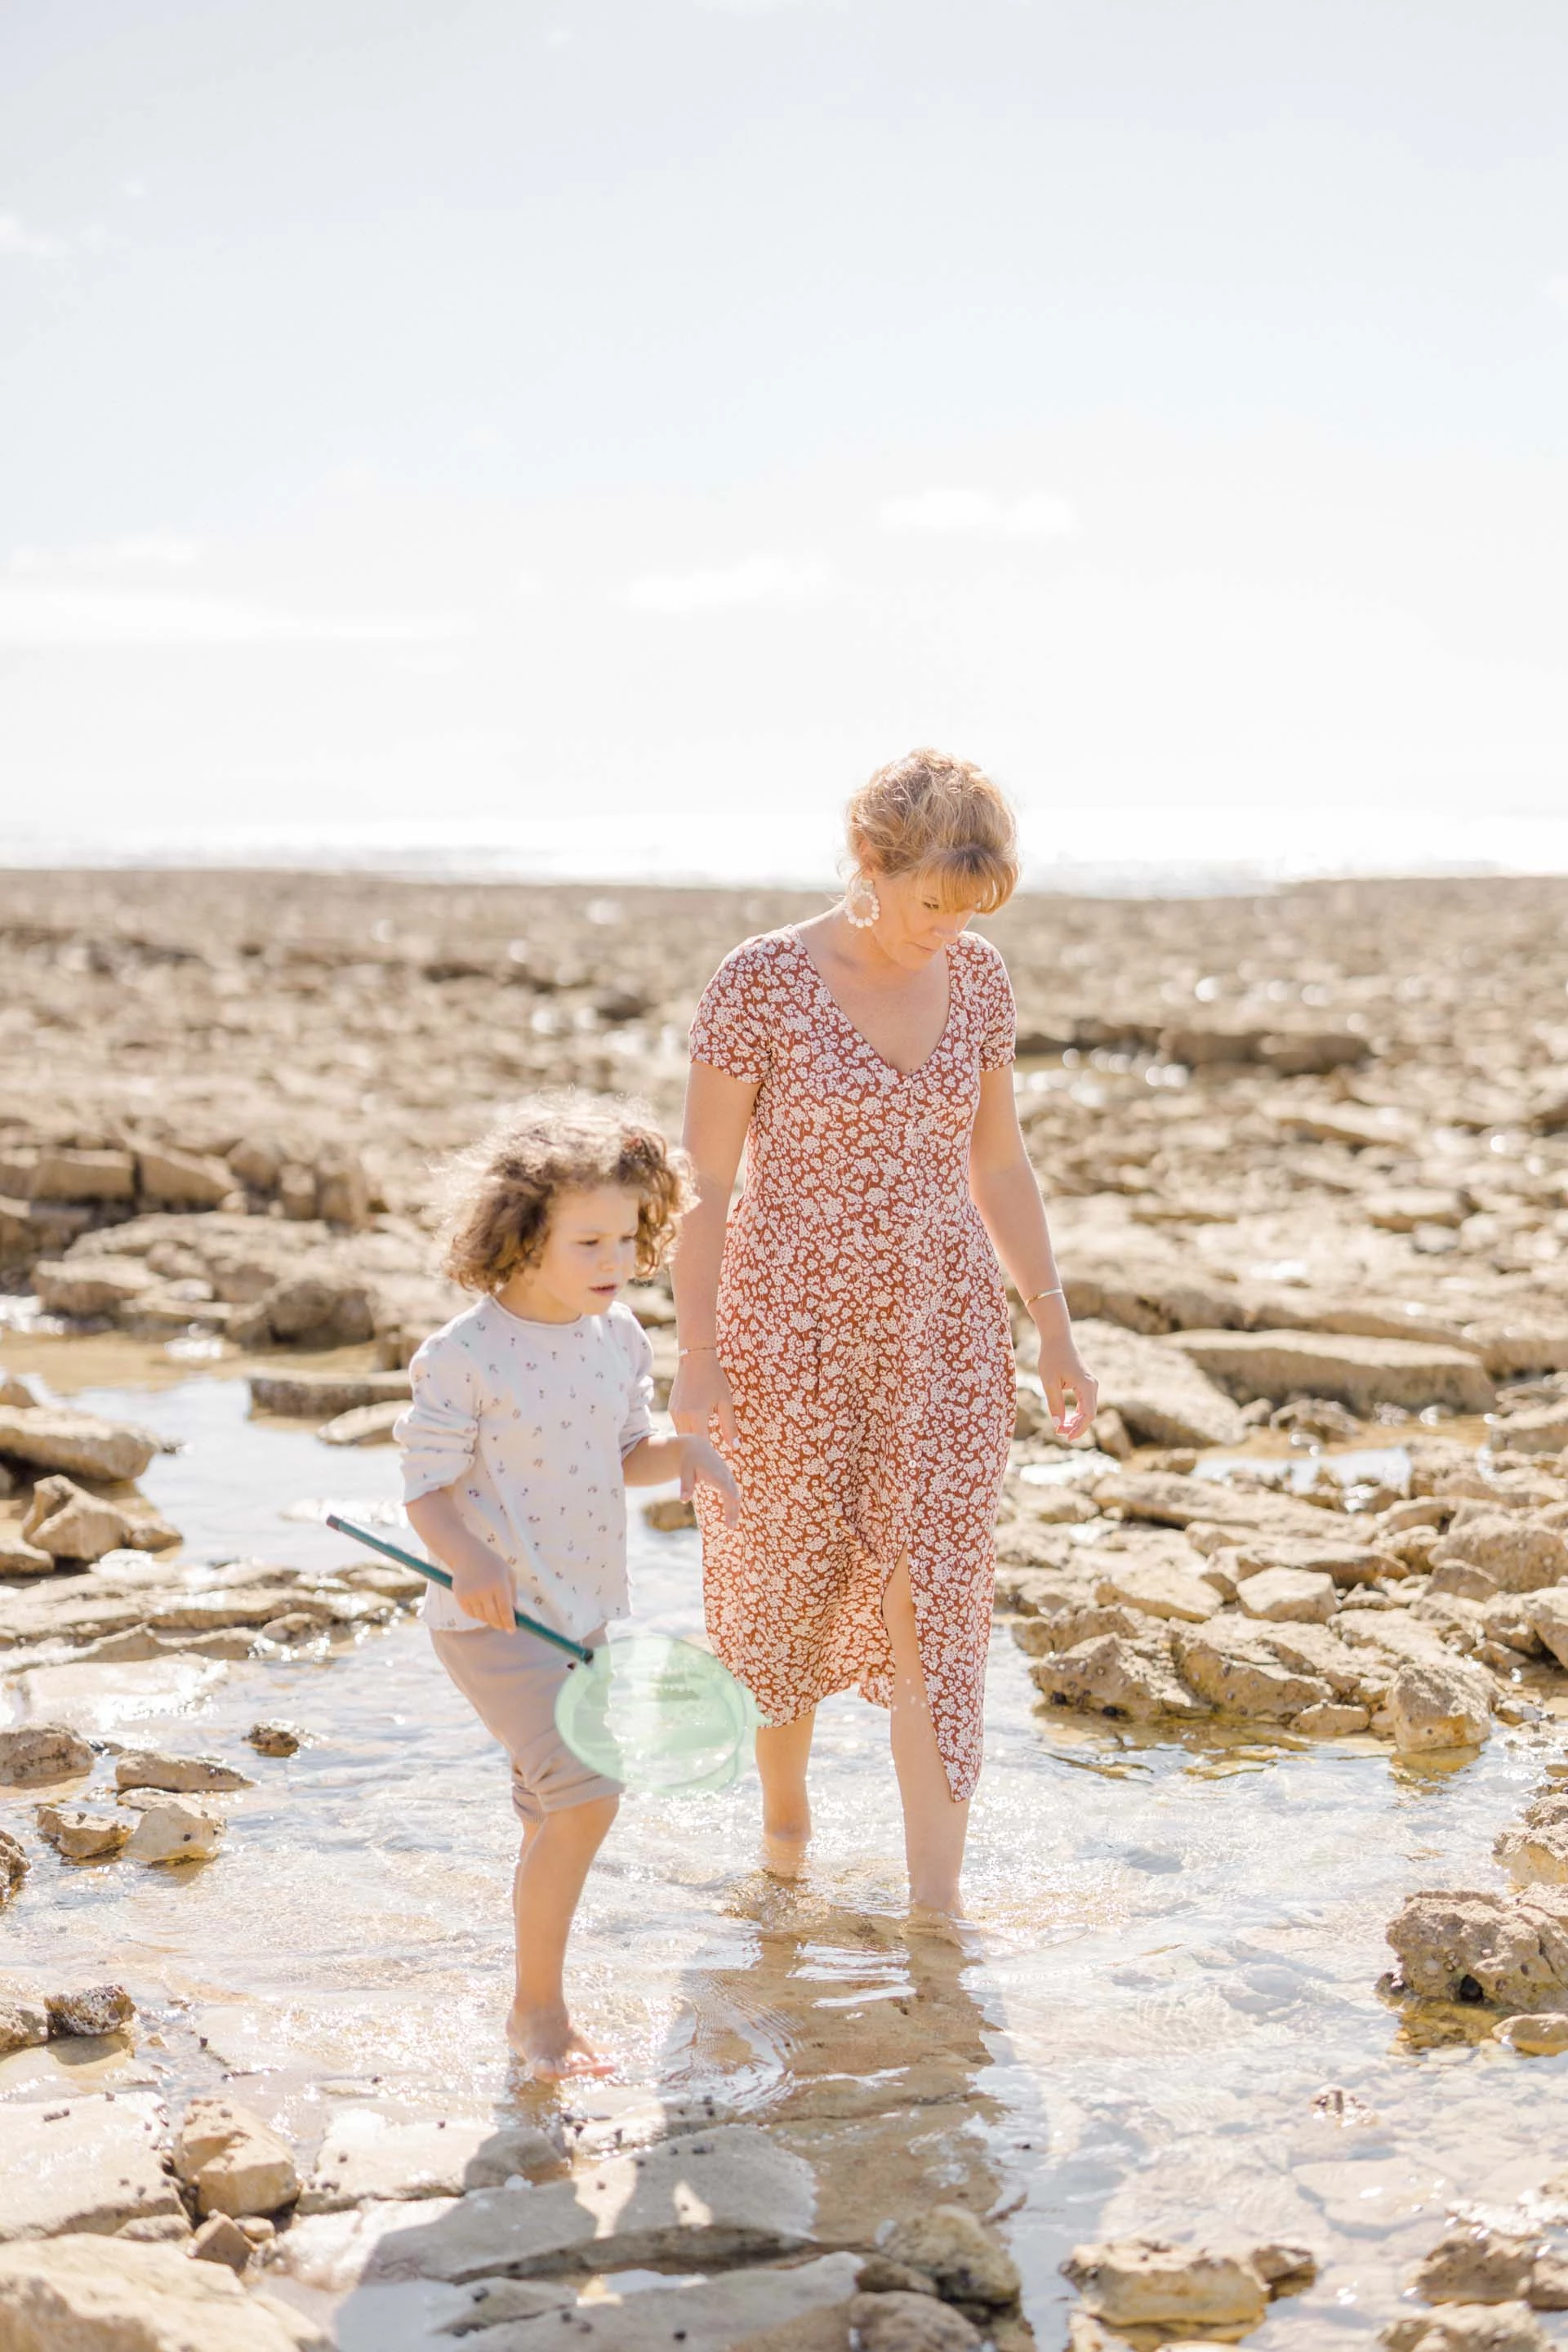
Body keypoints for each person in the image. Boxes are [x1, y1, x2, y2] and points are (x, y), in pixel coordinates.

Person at [672, 750, 1098, 1916]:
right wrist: (695, 1358)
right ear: (869, 861)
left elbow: (999, 1162)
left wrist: (1054, 1329)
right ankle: (784, 1827)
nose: (948, 932)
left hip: (945, 1335)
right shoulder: (757, 982)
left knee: (939, 1600)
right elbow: (704, 1187)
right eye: (932, 905)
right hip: (788, 1332)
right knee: (787, 1585)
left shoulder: (982, 982)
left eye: (972, 911)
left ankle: (936, 1906)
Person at [396, 1097, 740, 2078]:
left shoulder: (616, 1337)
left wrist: (687, 1455)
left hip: (584, 1615)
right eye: (587, 1240)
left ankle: (524, 1987)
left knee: (553, 1810)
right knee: (589, 1800)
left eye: (628, 1239)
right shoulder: (464, 1356)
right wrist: (468, 1556)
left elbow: (624, 1450)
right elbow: (424, 1486)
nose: (613, 1261)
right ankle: (536, 2014)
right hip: (491, 1619)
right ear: (521, 1235)